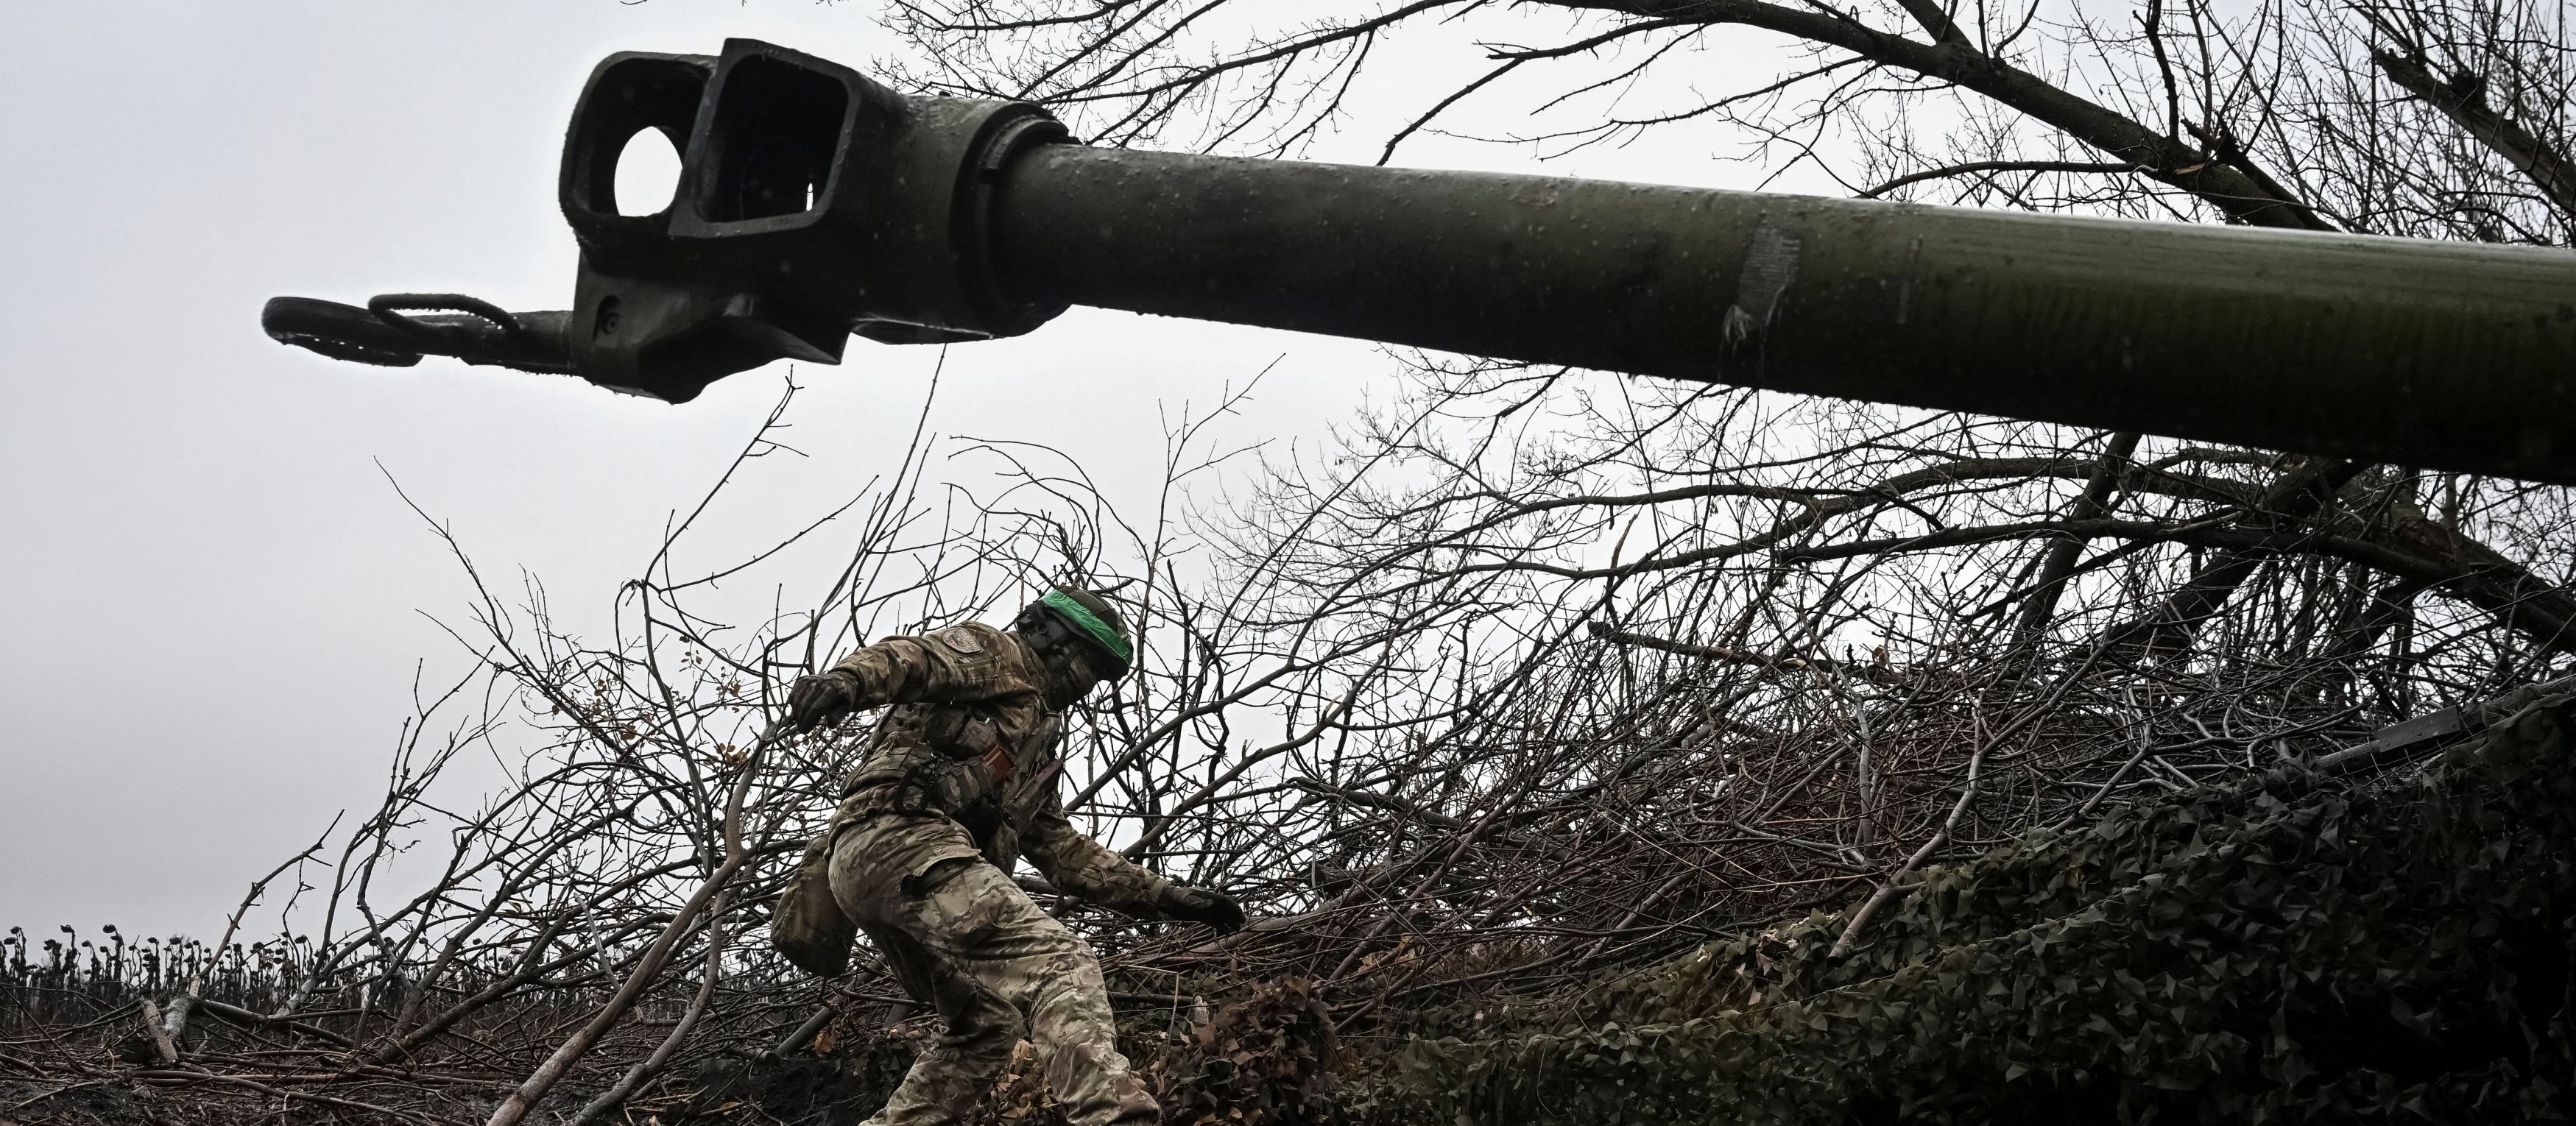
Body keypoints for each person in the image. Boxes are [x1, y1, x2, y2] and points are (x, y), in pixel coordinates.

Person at [780, 588, 1244, 1126]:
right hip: (901, 837)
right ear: (1051, 638)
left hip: (884, 869)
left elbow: (1060, 849)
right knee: (1060, 964)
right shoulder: (995, 652)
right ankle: (1115, 1118)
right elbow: (911, 658)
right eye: (1088, 665)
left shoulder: (1035, 743)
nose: (1087, 683)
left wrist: (1166, 897)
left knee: (987, 1024)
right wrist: (844, 681)